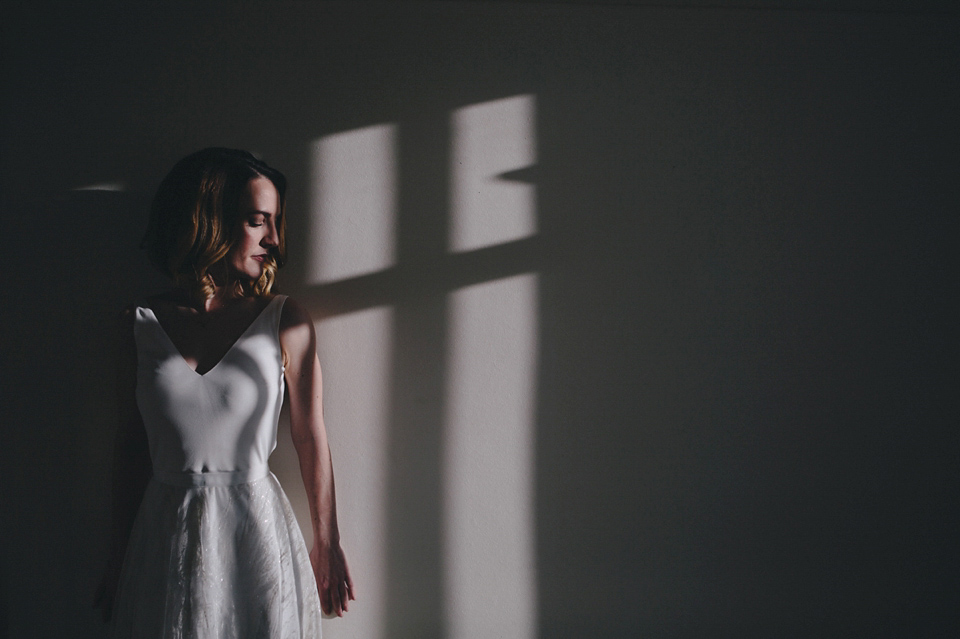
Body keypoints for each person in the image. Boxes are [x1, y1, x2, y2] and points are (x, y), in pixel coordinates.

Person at [94, 148, 353, 637]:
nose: (274, 240)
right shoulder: (139, 324)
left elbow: (309, 437)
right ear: (209, 221)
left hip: (253, 531)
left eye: (275, 223)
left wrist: (328, 542)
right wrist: (118, 556)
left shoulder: (285, 318)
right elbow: (130, 448)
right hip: (166, 533)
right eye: (259, 222)